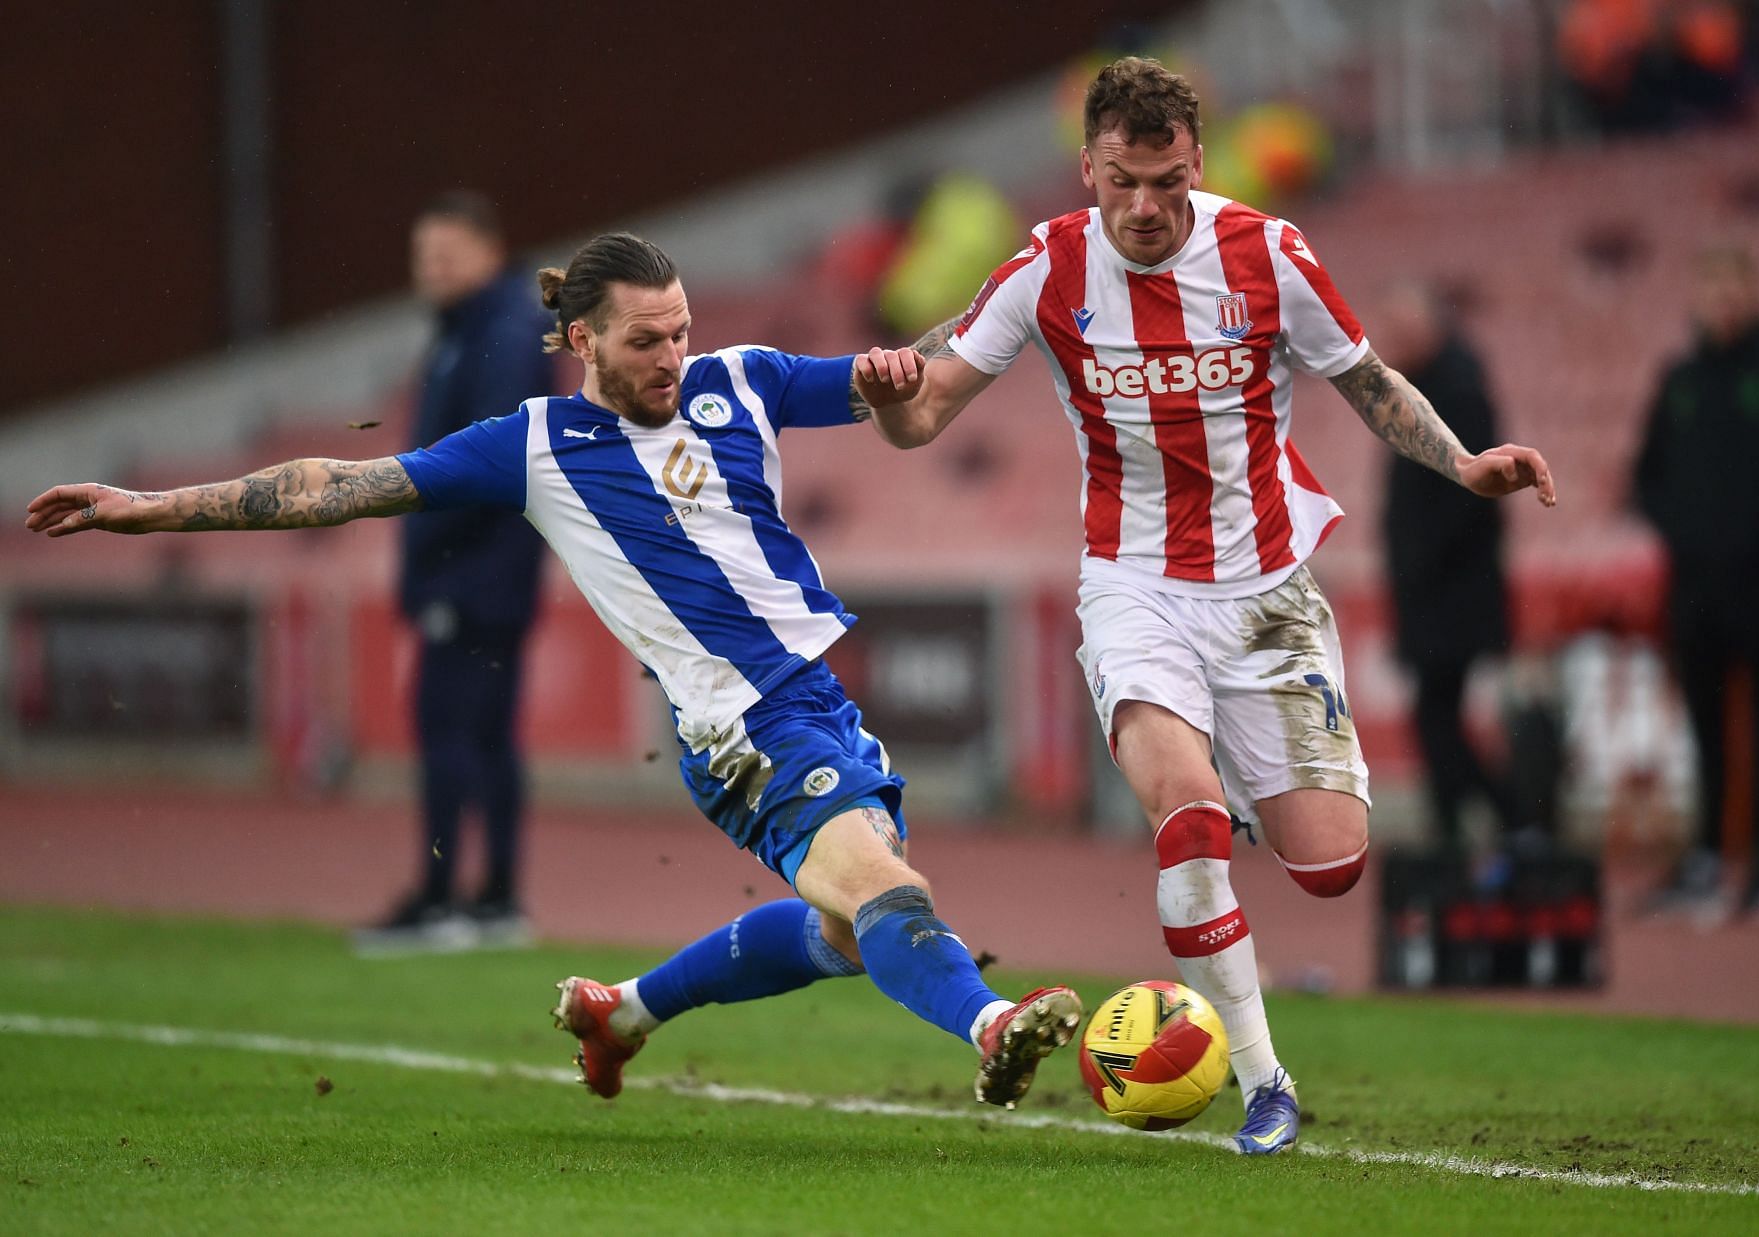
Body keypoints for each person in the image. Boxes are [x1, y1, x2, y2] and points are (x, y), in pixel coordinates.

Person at [23, 231, 1081, 1112]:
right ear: (580, 339)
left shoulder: (744, 381)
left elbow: (908, 392)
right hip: (739, 725)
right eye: (643, 340)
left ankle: (622, 1012)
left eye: (679, 332)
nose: (671, 357)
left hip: (819, 699)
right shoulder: (534, 444)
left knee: (850, 932)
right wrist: (154, 506)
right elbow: (339, 483)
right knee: (894, 893)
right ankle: (992, 1027)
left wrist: (902, 375)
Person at [858, 57, 1556, 1153]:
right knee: (1186, 821)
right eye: (1124, 181)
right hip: (1133, 586)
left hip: (1268, 594)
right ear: (1088, 165)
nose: (1145, 208)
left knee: (1330, 867)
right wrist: (894, 406)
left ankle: (1238, 777)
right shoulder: (1046, 267)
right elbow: (927, 411)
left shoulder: (1269, 253)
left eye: (1169, 182)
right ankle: (1264, 1080)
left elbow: (1367, 380)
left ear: (1199, 164)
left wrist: (1465, 464)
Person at [360, 191, 554, 951]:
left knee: (450, 728)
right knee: (487, 734)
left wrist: (429, 551)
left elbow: (483, 463)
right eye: (423, 258)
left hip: (475, 571)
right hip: (489, 568)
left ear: (489, 250)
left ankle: (448, 898)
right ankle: (495, 897)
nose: (431, 271)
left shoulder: (498, 335)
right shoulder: (473, 332)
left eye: (445, 256)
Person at [1632, 245, 1759, 921]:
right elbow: (1645, 477)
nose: (1720, 300)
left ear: (1755, 293)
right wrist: (1684, 530)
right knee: (1706, 728)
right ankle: (1709, 860)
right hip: (1694, 587)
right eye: (1710, 286)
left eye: (1732, 286)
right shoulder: (1680, 379)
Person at [1374, 282, 1517, 851]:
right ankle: (1473, 824)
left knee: (1435, 718)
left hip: (1448, 593)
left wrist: (1417, 562)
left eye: (1405, 329)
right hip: (1438, 590)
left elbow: (1467, 497)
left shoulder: (1455, 391)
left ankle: (1494, 821)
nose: (1394, 342)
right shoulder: (1433, 385)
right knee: (1438, 717)